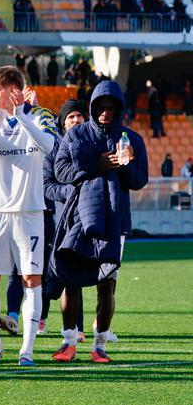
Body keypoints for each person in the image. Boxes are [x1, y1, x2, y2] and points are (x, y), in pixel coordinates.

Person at [51, 81, 148, 363]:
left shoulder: (132, 139)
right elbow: (60, 170)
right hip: (78, 218)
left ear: (119, 109)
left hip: (115, 221)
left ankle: (99, 345)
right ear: (93, 108)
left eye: (112, 107)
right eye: (101, 107)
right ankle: (69, 342)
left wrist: (127, 165)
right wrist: (97, 164)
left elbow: (140, 180)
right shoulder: (76, 135)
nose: (106, 112)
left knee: (107, 284)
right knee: (71, 281)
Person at [0, 66, 57, 366]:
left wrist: (20, 115)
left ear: (10, 89)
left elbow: (49, 146)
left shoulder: (40, 116)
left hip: (30, 212)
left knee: (32, 280)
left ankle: (27, 351)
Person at [44, 99, 88, 362]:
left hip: (94, 221)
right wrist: (68, 192)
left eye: (80, 116)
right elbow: (47, 186)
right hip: (64, 222)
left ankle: (95, 333)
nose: (75, 120)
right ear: (62, 122)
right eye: (70, 117)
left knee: (104, 279)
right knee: (66, 278)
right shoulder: (53, 149)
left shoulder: (95, 145)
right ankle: (69, 332)